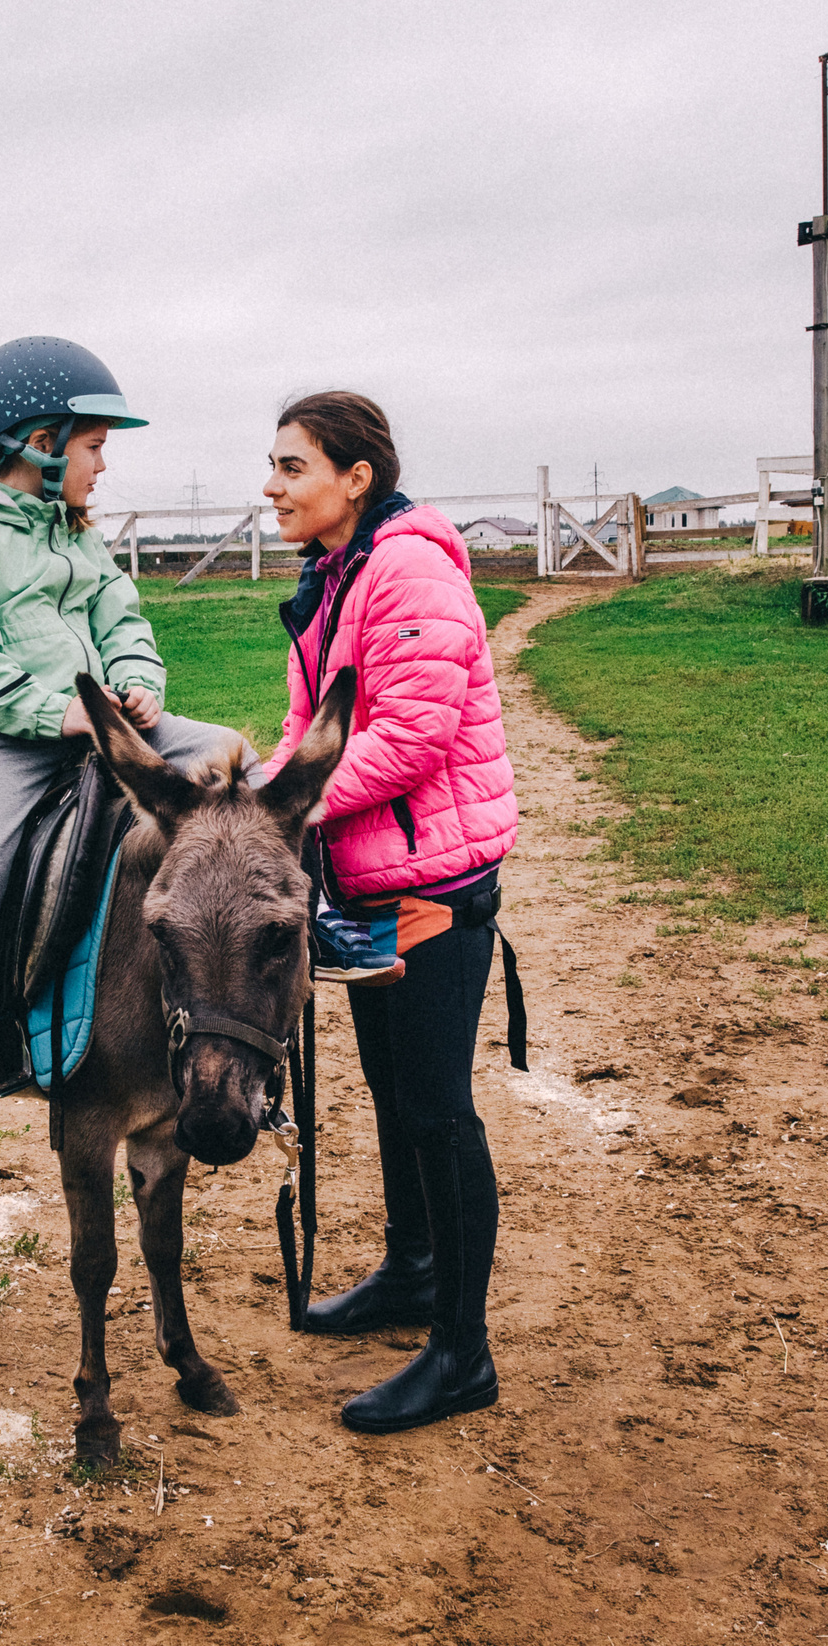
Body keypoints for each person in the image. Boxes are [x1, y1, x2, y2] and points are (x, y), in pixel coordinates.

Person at [0, 336, 244, 1169]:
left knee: (232, 755)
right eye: (93, 446)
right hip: (7, 741)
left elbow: (123, 620)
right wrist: (56, 714)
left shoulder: (77, 535)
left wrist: (136, 679)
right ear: (38, 445)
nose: (102, 465)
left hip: (110, 724)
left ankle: (285, 927)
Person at [254, 390, 519, 1433]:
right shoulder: (337, 576)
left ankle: (462, 1352)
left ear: (354, 478)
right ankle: (412, 1273)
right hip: (367, 880)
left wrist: (288, 803)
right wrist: (250, 805)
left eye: (290, 468)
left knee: (436, 1111)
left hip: (431, 886)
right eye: (271, 467)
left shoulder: (406, 568)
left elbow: (410, 733)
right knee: (390, 1090)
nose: (271, 488)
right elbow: (304, 727)